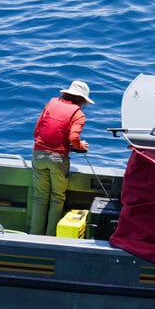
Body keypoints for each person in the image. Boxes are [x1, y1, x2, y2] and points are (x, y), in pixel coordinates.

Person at [29, 80, 94, 235]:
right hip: (58, 159)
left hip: (38, 154)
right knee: (57, 198)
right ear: (82, 100)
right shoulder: (78, 114)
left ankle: (35, 235)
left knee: (39, 197)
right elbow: (73, 137)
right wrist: (80, 146)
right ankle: (51, 237)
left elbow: (37, 130)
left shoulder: (52, 102)